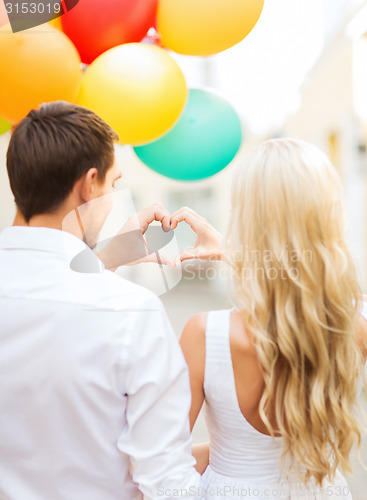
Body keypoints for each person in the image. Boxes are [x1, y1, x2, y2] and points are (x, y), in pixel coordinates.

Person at [0, 101, 201, 500]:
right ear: (89, 184)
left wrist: (104, 258)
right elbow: (167, 482)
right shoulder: (131, 312)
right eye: (114, 184)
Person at [173, 139, 367, 499]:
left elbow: (164, 465)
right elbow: (298, 290)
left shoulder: (205, 335)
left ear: (246, 221)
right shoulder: (354, 323)